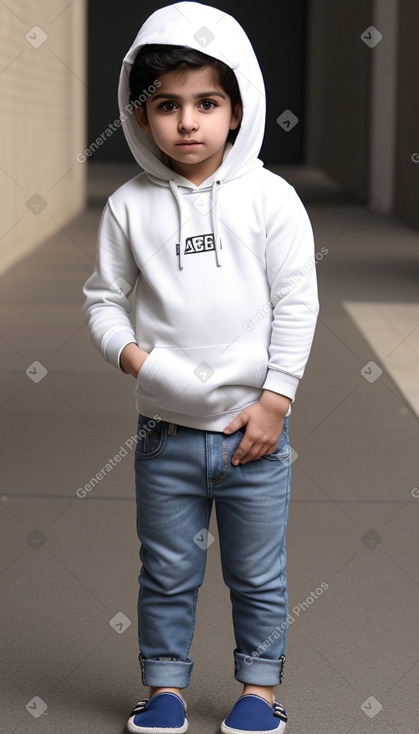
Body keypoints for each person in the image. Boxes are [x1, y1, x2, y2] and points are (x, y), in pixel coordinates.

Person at [82, 2, 319, 732]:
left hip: (254, 433)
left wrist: (274, 402)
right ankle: (165, 690)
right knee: (167, 572)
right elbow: (102, 300)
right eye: (167, 106)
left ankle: (258, 692)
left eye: (206, 103)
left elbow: (296, 303)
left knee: (256, 575)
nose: (188, 122)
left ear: (237, 106)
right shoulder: (128, 206)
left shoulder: (270, 199)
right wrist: (132, 356)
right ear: (141, 115)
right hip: (162, 434)